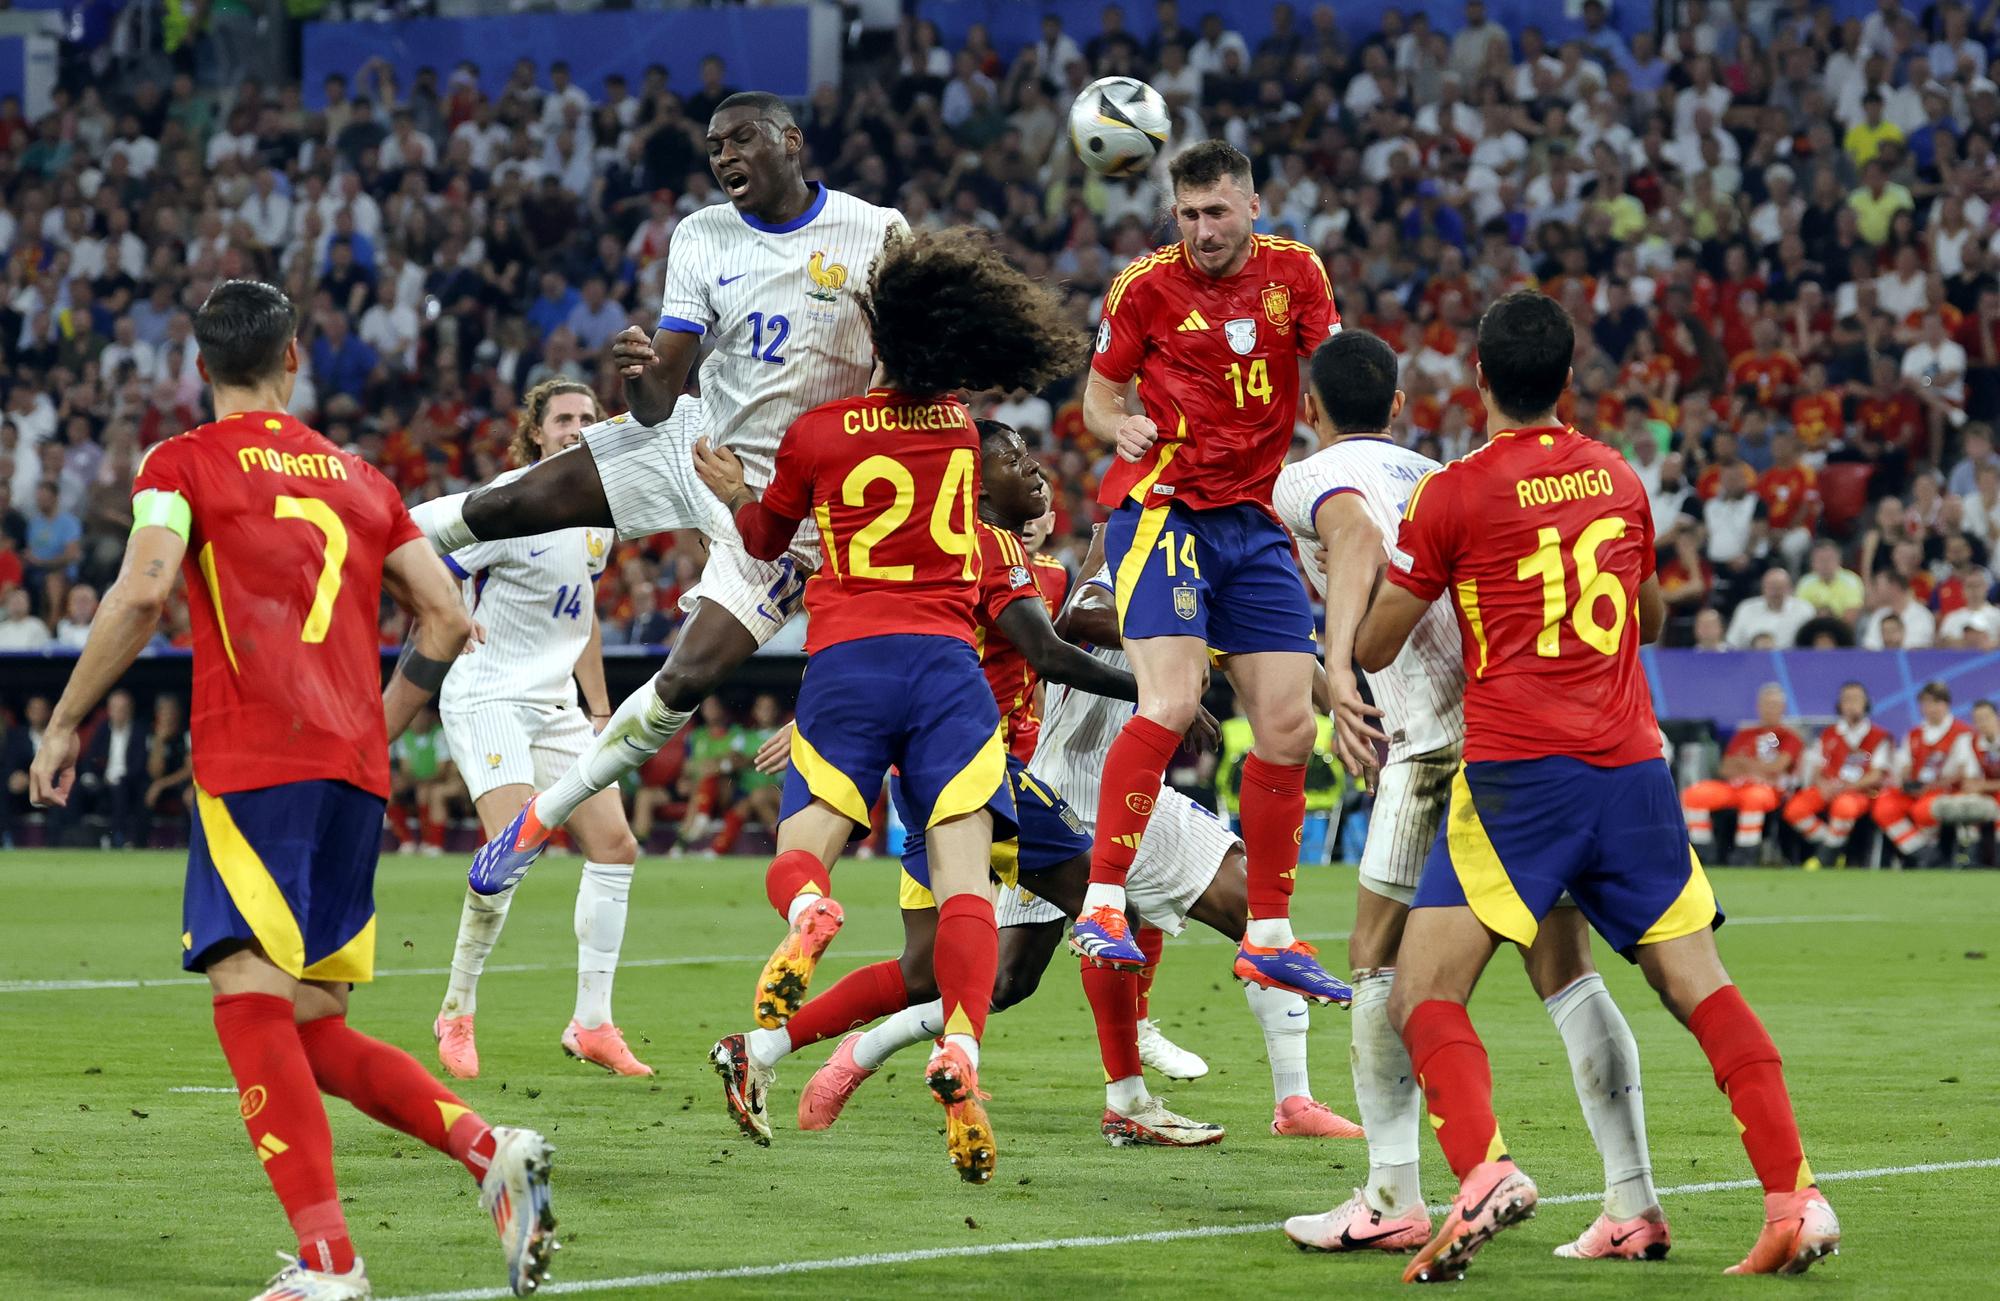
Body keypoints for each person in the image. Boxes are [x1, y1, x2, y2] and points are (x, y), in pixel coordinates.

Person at [26, 280, 557, 1300]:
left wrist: (62, 722)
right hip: (352, 775)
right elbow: (447, 618)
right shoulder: (362, 479)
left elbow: (142, 587)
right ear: (293, 358)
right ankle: (491, 1151)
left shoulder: (177, 463)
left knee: (247, 1000)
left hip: (254, 762)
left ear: (200, 366)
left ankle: (330, 1261)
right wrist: (373, 724)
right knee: (312, 1025)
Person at [1353, 292, 1836, 1282]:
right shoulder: (1617, 476)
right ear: (1568, 379)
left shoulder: (1452, 493)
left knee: (1421, 989)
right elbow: (1648, 616)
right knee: (1695, 983)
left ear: (1476, 377)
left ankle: (1481, 1170)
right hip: (1629, 771)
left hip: (1518, 781)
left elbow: (1375, 642)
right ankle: (1794, 1195)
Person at [710, 421, 1250, 1149]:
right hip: (978, 767)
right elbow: (1052, 648)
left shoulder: (939, 547)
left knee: (928, 970)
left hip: (907, 765)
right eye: (1013, 460)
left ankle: (764, 1047)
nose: (1032, 470)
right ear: (970, 478)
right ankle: (1126, 1095)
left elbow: (863, 595)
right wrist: (1162, 699)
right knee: (1105, 898)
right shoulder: (993, 549)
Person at [418, 93, 906, 896]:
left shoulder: (877, 231)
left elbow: (904, 373)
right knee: (506, 503)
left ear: (790, 141)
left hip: (791, 504)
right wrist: (642, 374)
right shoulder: (701, 235)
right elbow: (655, 399)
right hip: (693, 441)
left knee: (683, 680)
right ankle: (353, 535)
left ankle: (542, 817)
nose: (723, 158)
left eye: (740, 140)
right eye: (713, 148)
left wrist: (792, 480)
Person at [693, 228, 1089, 1184]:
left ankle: (814, 908)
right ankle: (961, 1049)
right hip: (948, 669)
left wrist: (738, 488)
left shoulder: (817, 434)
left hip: (847, 660)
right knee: (964, 887)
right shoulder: (959, 427)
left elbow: (763, 538)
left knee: (804, 849)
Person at [1275, 330, 1668, 1259]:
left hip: (1432, 744)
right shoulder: (1442, 467)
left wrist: (1337, 673)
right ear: (1403, 406)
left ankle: (1393, 1192)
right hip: (1526, 741)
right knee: (1563, 965)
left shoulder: (1304, 475)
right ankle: (1632, 1198)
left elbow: (1357, 537)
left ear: (1307, 412)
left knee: (1378, 958)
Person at [1072, 139, 1347, 1006]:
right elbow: (1097, 396)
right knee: (1173, 701)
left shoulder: (1298, 274)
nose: (1202, 231)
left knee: (1291, 726)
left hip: (1253, 519)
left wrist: (1343, 477)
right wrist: (1114, 427)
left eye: (1217, 212)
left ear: (1253, 207)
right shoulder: (1144, 286)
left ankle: (1268, 934)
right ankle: (1105, 901)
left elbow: (1331, 380)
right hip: (1165, 508)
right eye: (1188, 215)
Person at [433, 378, 650, 1080]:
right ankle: (456, 1009)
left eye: (588, 417)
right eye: (563, 418)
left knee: (616, 846)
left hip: (558, 705)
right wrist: (449, 612)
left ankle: (592, 1023)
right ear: (536, 433)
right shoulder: (507, 501)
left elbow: (578, 614)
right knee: (512, 849)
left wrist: (596, 706)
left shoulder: (599, 516)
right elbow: (431, 557)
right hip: (489, 692)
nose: (577, 427)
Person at [1682, 684, 1803, 865]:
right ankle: (1703, 852)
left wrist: (1744, 763)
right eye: (1766, 704)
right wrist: (1759, 767)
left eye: (1774, 705)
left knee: (1755, 797)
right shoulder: (1744, 734)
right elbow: (1725, 768)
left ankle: (1746, 855)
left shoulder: (1790, 737)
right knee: (1693, 794)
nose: (1769, 709)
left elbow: (1778, 767)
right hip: (1734, 786)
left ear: (1782, 708)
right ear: (1758, 707)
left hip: (1769, 790)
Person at [1871, 680, 1978, 864]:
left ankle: (1932, 853)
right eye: (1926, 703)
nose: (1931, 708)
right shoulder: (1914, 734)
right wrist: (1907, 782)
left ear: (1946, 704)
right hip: (1917, 790)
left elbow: (1962, 772)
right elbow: (1904, 766)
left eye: (1936, 702)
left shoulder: (1962, 733)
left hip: (1945, 790)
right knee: (1884, 806)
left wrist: (1930, 787)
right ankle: (1922, 852)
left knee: (1924, 810)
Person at [1726, 568, 1816, 648]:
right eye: (1771, 587)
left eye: (1780, 587)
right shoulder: (1746, 608)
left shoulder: (1804, 609)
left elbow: (1812, 644)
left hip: (1793, 662)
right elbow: (1733, 643)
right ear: (1763, 588)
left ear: (1790, 589)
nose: (1775, 592)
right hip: (1753, 661)